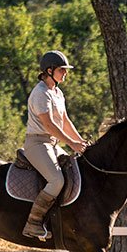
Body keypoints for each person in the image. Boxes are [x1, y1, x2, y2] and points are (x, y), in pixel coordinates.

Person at [21, 50, 88, 241]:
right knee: (57, 180)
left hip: (52, 143)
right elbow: (49, 125)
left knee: (74, 170)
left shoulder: (57, 92)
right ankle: (33, 222)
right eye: (62, 70)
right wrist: (72, 143)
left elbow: (65, 121)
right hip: (37, 143)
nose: (65, 73)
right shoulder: (40, 93)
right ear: (49, 70)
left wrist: (80, 141)